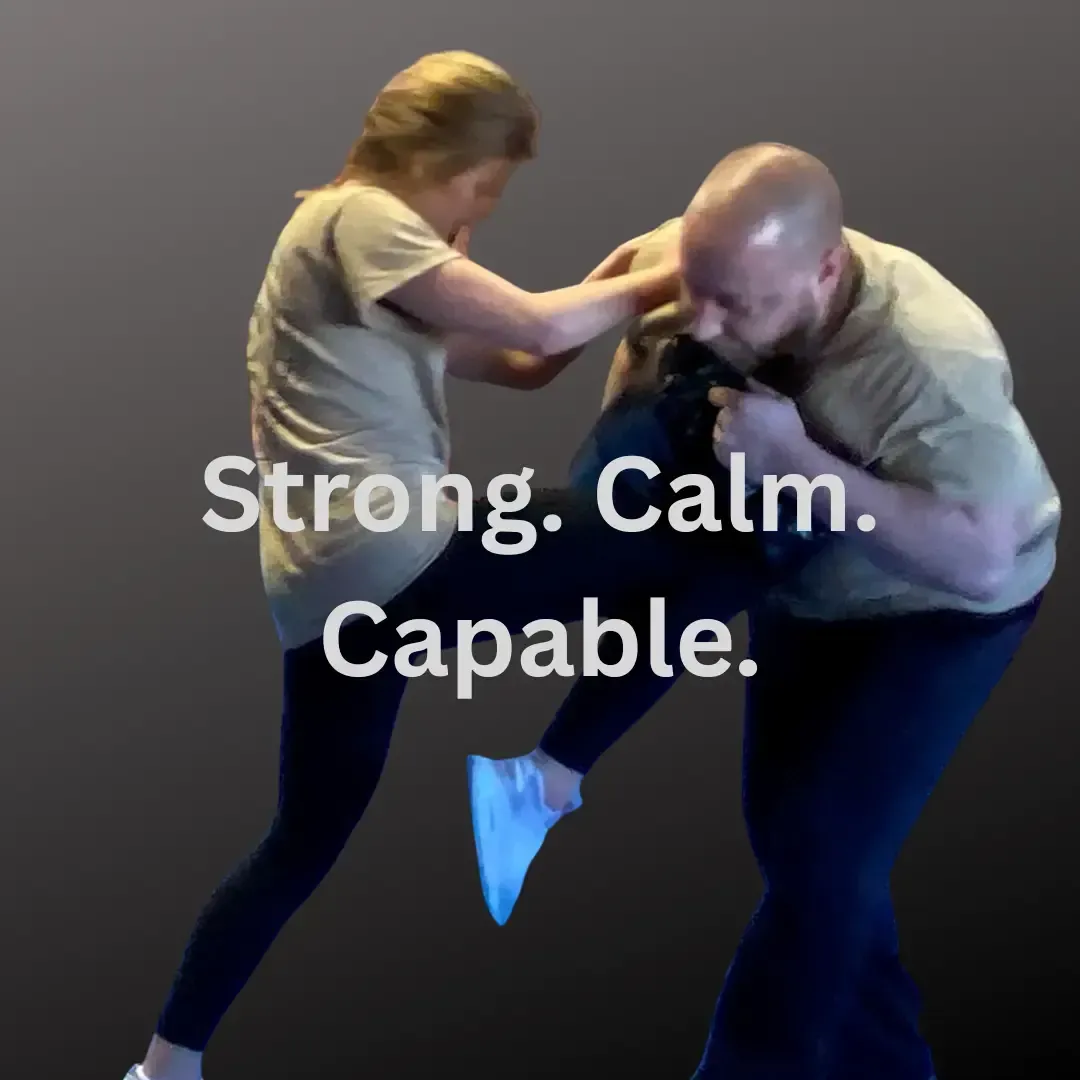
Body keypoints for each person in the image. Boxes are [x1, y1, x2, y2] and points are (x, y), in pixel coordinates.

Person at [123, 51, 798, 1080]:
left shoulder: (351, 268)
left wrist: (611, 281)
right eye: (482, 186)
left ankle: (164, 1067)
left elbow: (526, 365)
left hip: (325, 597)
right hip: (397, 552)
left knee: (299, 842)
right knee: (736, 547)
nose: (482, 208)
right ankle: (544, 780)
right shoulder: (357, 218)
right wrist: (689, 274)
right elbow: (536, 319)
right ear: (429, 155)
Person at [467, 143, 1060, 1079]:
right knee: (798, 851)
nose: (705, 319)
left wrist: (803, 466)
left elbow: (981, 559)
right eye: (699, 289)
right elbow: (584, 375)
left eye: (735, 305)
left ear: (825, 271)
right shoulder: (691, 271)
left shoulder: (931, 360)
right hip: (804, 589)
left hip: (936, 609)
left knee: (823, 851)